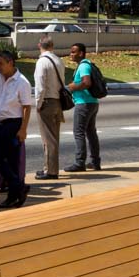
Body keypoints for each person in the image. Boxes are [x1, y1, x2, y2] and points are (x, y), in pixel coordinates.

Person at [0, 49, 33, 209]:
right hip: (2, 124)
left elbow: (27, 107)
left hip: (14, 124)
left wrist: (23, 129)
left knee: (11, 161)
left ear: (10, 63)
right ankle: (18, 187)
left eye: (1, 63)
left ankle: (14, 195)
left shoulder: (22, 82)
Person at [32, 36, 67, 180]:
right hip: (57, 101)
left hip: (47, 101)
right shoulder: (58, 60)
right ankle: (50, 168)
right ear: (52, 46)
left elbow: (40, 86)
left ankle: (51, 171)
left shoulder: (42, 62)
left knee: (48, 139)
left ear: (39, 45)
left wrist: (38, 104)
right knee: (54, 137)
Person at [65, 42, 101, 173]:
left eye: (73, 52)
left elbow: (86, 83)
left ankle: (80, 162)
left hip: (84, 103)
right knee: (91, 133)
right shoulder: (87, 64)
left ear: (81, 53)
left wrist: (72, 87)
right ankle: (95, 162)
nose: (71, 54)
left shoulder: (84, 66)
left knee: (79, 132)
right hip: (92, 102)